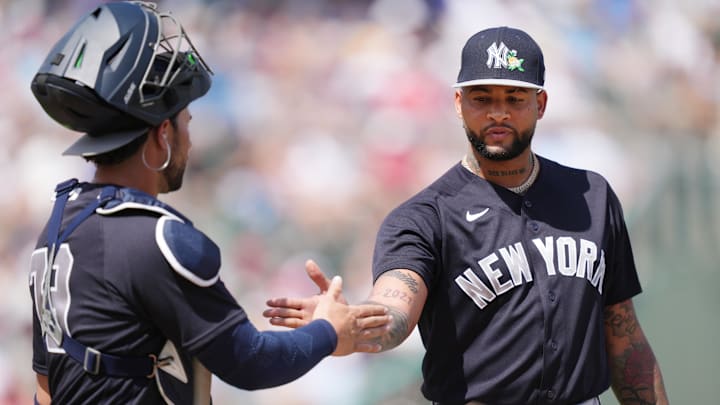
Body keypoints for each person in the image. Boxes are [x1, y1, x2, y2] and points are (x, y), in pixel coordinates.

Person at [263, 26, 669, 405]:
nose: (497, 113)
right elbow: (396, 308)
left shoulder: (592, 196)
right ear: (459, 103)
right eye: (482, 98)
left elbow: (623, 334)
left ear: (540, 104)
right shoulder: (425, 217)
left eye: (514, 98)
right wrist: (354, 326)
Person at [27, 2, 389, 404]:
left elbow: (46, 389)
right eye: (186, 122)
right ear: (162, 134)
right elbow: (250, 361)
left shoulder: (59, 225)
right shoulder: (157, 237)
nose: (190, 139)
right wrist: (328, 331)